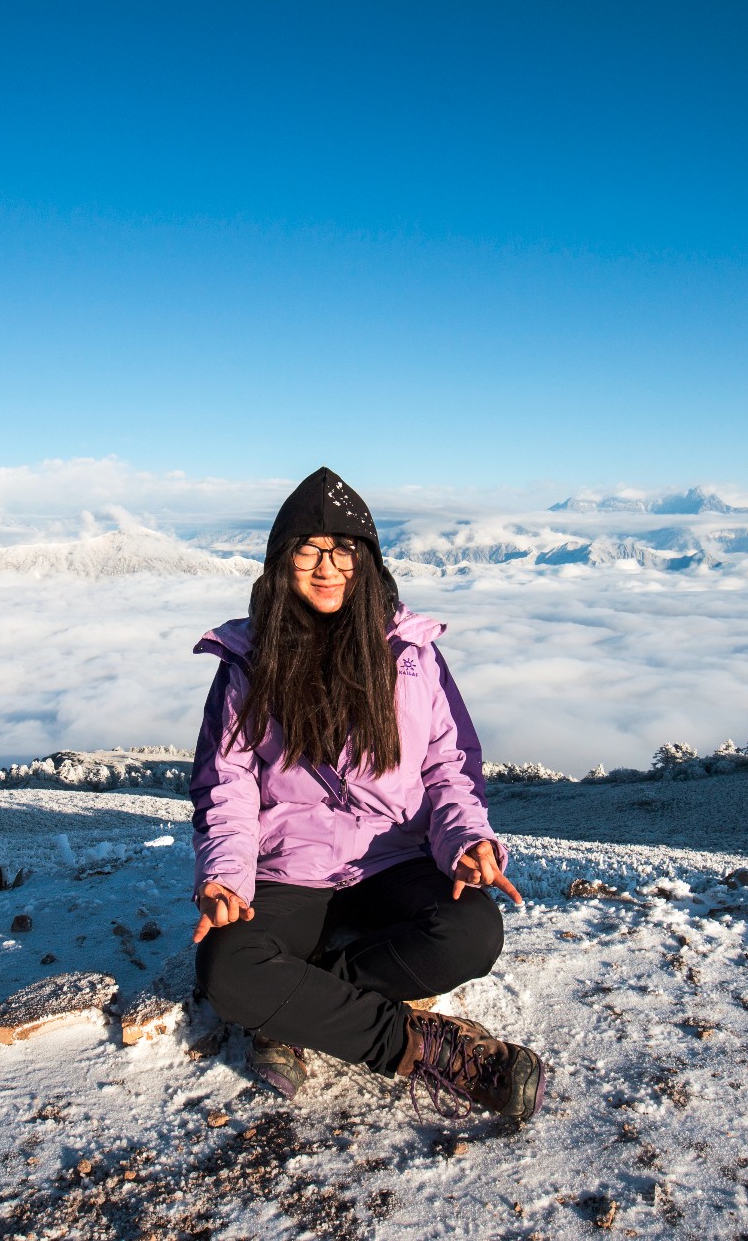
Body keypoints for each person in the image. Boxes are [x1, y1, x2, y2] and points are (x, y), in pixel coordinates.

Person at [187, 466, 545, 1122]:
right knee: (226, 967)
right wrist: (227, 877)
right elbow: (228, 783)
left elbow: (449, 767)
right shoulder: (248, 661)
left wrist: (466, 840)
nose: (327, 565)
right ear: (280, 559)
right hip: (289, 865)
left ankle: (296, 1008)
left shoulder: (411, 656)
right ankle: (419, 1046)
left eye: (344, 548)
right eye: (308, 547)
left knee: (472, 931)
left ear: (369, 561)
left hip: (393, 855)